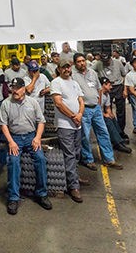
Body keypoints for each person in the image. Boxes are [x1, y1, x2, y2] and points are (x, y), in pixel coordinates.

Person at [0, 77, 52, 215]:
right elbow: (3, 125)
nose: (14, 91)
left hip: (30, 137)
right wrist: (11, 141)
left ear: (24, 89)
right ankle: (13, 197)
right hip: (15, 138)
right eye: (13, 88)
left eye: (17, 88)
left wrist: (37, 138)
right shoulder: (6, 103)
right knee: (13, 161)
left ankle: (41, 193)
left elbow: (41, 121)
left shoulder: (33, 102)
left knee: (40, 158)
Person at [72, 53, 123, 171]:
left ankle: (109, 159)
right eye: (79, 61)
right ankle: (88, 160)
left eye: (83, 61)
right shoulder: (74, 76)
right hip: (84, 109)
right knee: (85, 136)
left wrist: (99, 105)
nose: (82, 63)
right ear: (75, 63)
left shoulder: (93, 73)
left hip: (96, 109)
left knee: (103, 132)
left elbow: (99, 89)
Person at [50, 58, 85, 203]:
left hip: (77, 123)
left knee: (77, 152)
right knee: (69, 154)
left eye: (68, 67)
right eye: (63, 67)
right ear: (58, 69)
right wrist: (73, 116)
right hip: (65, 125)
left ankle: (74, 177)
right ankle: (73, 187)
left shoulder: (75, 82)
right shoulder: (56, 82)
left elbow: (81, 101)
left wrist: (80, 114)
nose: (66, 69)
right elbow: (58, 103)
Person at [100, 79, 132, 153]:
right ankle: (117, 143)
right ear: (104, 85)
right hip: (95, 114)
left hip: (100, 112)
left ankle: (119, 136)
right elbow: (96, 109)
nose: (111, 87)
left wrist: (110, 114)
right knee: (108, 120)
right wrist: (105, 115)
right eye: (109, 85)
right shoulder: (98, 95)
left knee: (112, 118)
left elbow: (107, 107)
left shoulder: (107, 94)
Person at [103, 54, 128, 137]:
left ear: (110, 58)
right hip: (108, 88)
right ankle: (112, 132)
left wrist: (125, 90)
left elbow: (124, 75)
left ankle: (121, 131)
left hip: (119, 86)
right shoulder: (99, 64)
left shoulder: (118, 63)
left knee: (121, 110)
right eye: (104, 62)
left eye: (107, 61)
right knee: (107, 110)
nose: (106, 63)